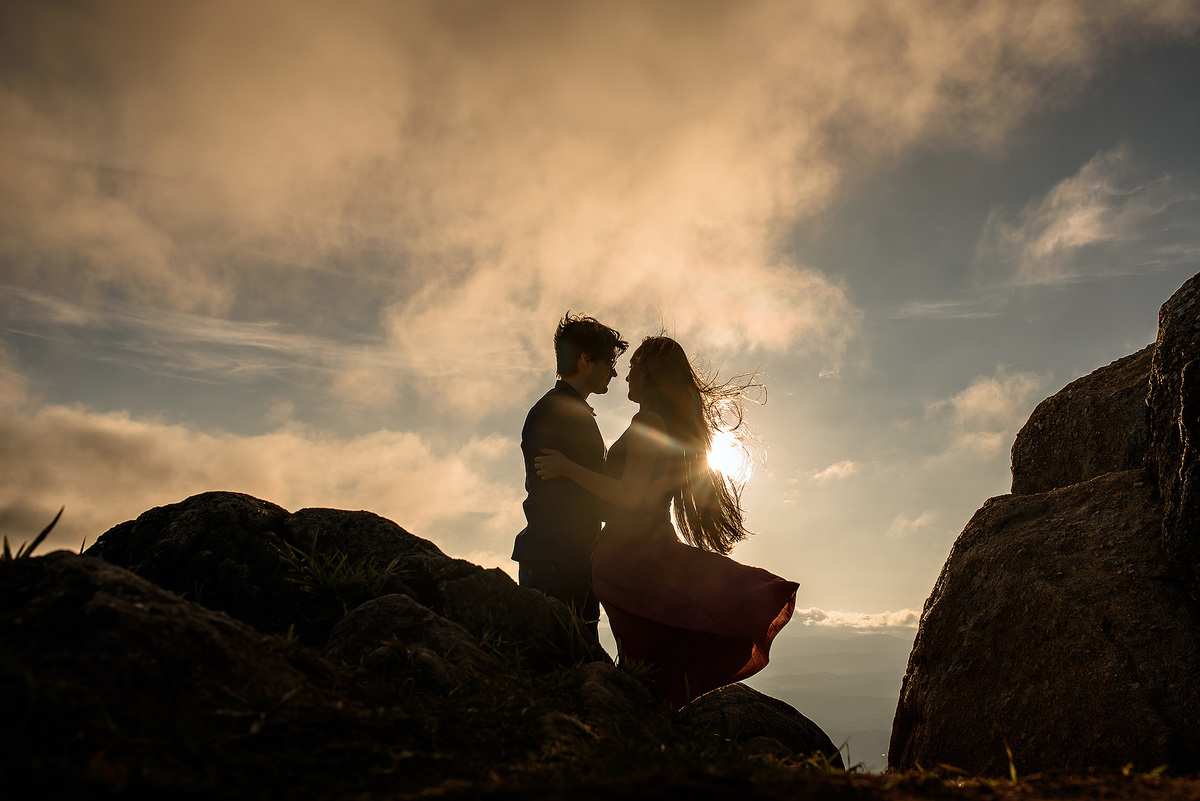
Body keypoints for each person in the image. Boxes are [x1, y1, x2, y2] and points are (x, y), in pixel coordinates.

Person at [536, 336, 798, 708]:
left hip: (630, 556)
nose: (625, 378)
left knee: (642, 663)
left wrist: (568, 468)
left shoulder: (648, 420)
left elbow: (631, 496)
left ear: (648, 374)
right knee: (651, 660)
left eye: (631, 369)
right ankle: (646, 725)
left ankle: (634, 725)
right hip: (644, 549)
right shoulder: (666, 424)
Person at [512, 313, 628, 637]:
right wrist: (624, 504)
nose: (615, 372)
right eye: (608, 362)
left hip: (564, 558)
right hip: (557, 561)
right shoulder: (559, 412)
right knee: (567, 657)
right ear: (585, 359)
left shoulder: (565, 409)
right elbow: (564, 496)